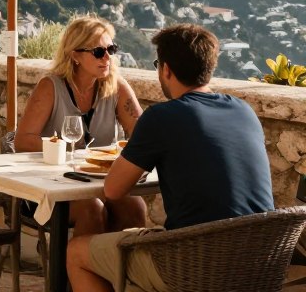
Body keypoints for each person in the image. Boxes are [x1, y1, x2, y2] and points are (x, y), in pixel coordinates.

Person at [67, 24, 274, 292]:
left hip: (195, 267)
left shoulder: (162, 117)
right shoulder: (244, 111)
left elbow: (113, 189)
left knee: (76, 253)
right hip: (261, 265)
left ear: (165, 70)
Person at [15, 16, 146, 236]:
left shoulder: (116, 87)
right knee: (91, 209)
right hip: (52, 187)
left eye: (111, 49)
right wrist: (66, 151)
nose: (107, 58)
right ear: (75, 55)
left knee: (134, 206)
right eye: (98, 52)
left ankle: (119, 269)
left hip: (99, 182)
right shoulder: (50, 87)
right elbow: (23, 140)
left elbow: (142, 134)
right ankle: (75, 269)